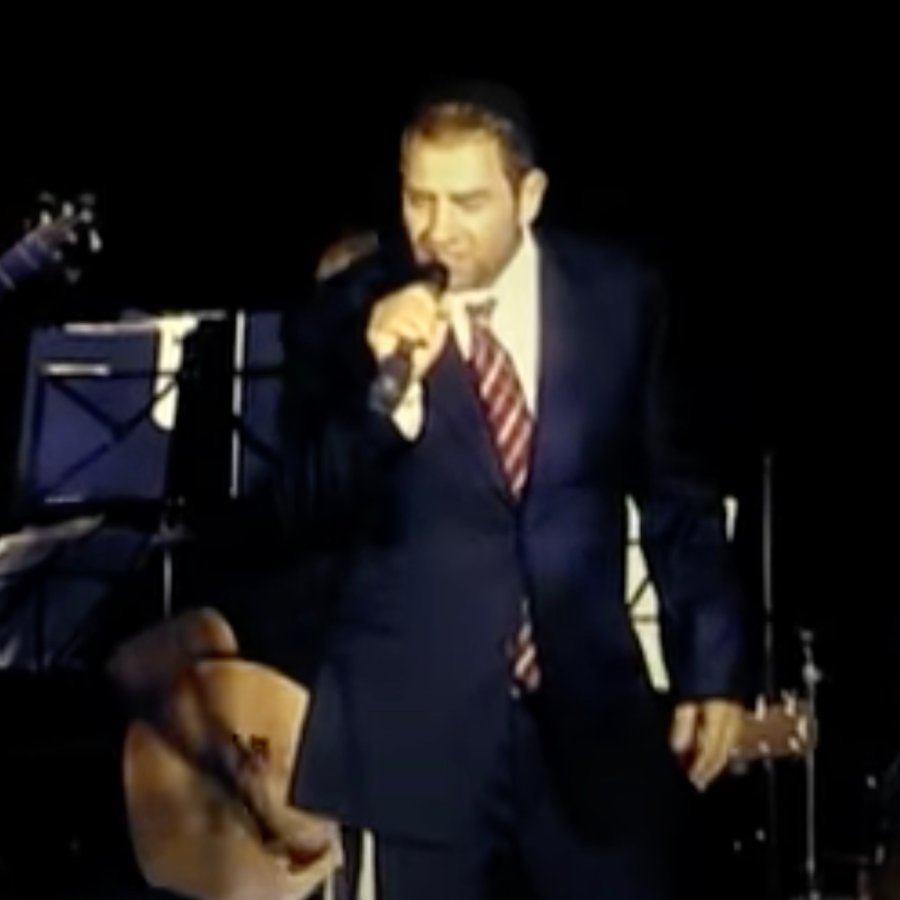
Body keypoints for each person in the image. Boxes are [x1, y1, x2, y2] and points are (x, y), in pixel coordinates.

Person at [278, 79, 750, 900]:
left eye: (467, 202)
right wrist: (390, 404)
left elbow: (676, 494)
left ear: (527, 196)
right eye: (419, 199)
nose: (438, 229)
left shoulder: (617, 299)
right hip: (418, 735)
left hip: (589, 728)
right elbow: (300, 507)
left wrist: (712, 666)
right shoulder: (346, 314)